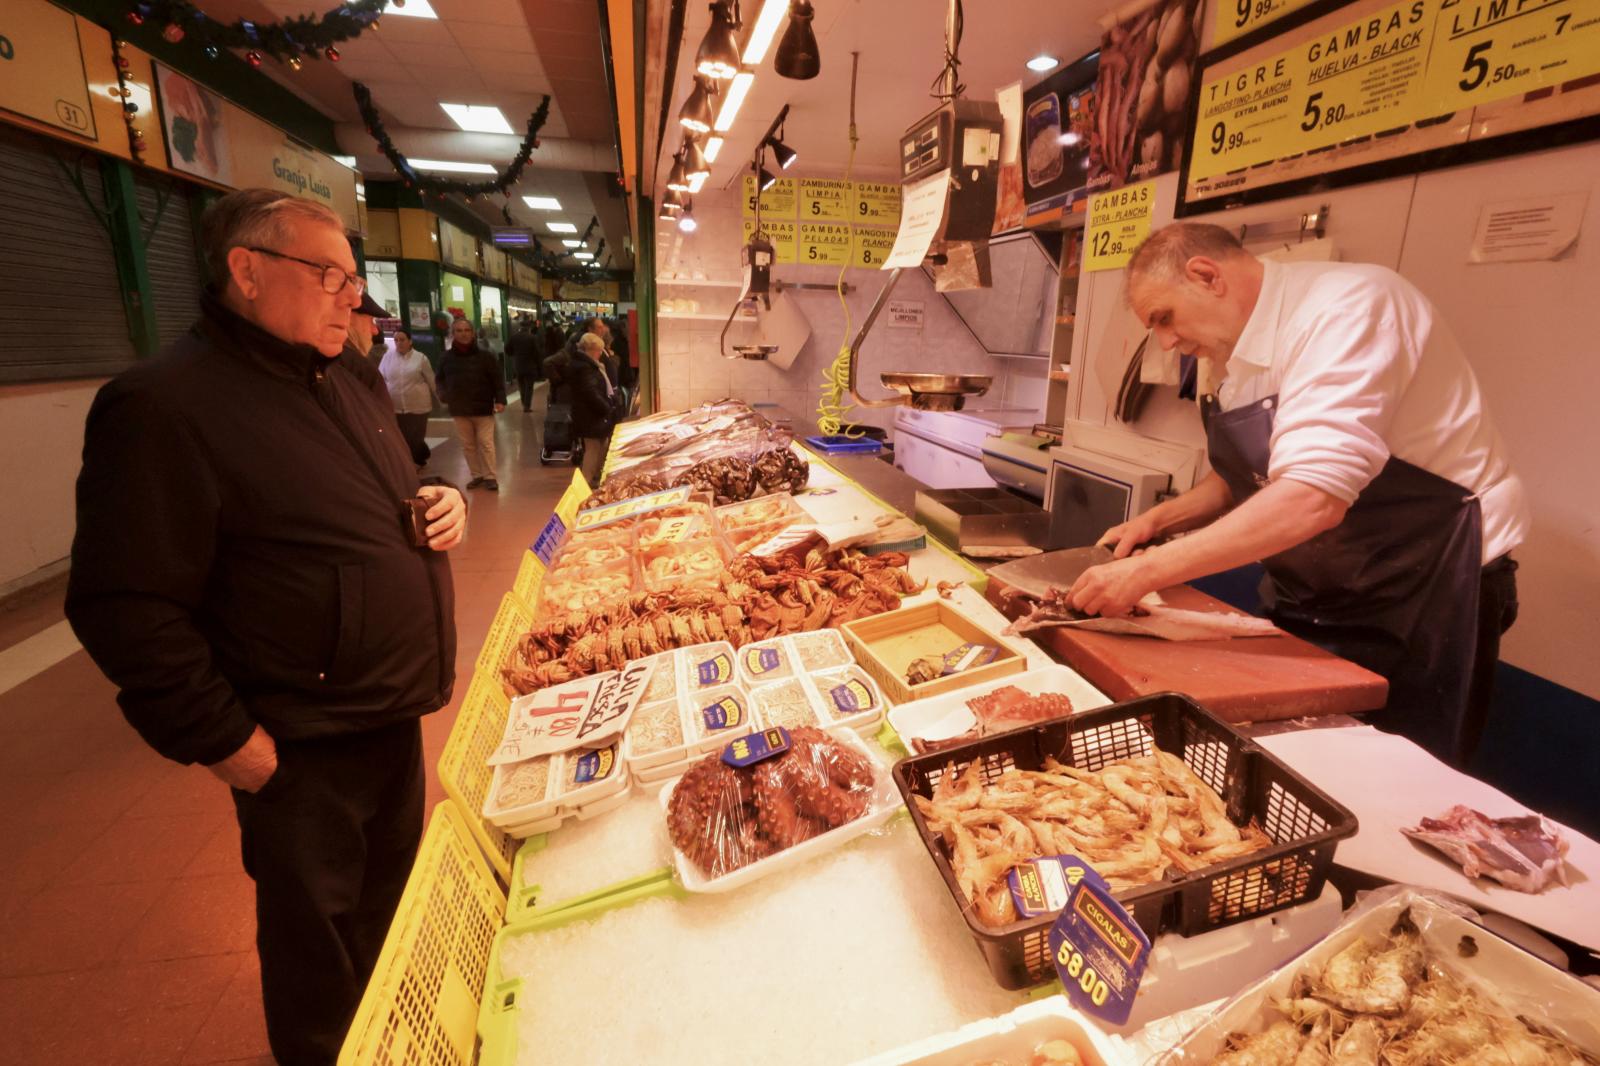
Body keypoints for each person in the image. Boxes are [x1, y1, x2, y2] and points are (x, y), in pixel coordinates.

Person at [64, 188, 467, 1066]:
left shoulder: (343, 376)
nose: (350, 298)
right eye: (327, 275)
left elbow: (393, 482)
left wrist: (438, 501)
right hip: (298, 744)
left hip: (387, 717)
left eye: (353, 280)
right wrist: (225, 740)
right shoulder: (164, 405)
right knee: (317, 955)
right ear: (246, 271)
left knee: (389, 924)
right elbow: (122, 603)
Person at [1066, 222, 1528, 766]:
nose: (1166, 342)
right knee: (1291, 754)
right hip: (1320, 588)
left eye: (1164, 318)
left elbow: (1314, 495)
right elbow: (1250, 473)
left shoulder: (1349, 310)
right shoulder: (1236, 353)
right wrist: (1160, 521)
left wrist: (1143, 573)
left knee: (1392, 779)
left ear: (1206, 275)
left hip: (1424, 592)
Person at [436, 316, 506, 491]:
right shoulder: (446, 358)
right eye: (459, 331)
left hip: (483, 408)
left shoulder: (486, 357)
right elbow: (440, 379)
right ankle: (477, 475)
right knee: (468, 445)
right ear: (453, 334)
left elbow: (497, 380)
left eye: (467, 330)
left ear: (473, 333)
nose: (463, 334)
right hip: (459, 409)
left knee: (486, 443)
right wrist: (443, 395)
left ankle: (490, 476)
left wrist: (500, 400)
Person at [570, 331, 624, 486]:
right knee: (593, 450)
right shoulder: (585, 368)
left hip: (593, 414)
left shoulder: (587, 365)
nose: (601, 354)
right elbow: (591, 392)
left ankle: (596, 479)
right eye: (598, 350)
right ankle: (585, 484)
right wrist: (606, 407)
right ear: (589, 350)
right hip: (591, 415)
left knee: (601, 447)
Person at [380, 327, 439, 468]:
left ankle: (416, 461)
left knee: (416, 437)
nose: (399, 343)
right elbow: (380, 378)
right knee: (402, 436)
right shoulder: (387, 357)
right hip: (396, 405)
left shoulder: (421, 358)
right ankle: (414, 459)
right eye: (396, 340)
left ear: (410, 341)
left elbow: (431, 380)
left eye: (402, 340)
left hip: (418, 405)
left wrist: (441, 398)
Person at [506, 315, 546, 413]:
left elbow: (507, 349)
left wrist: (514, 354)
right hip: (530, 366)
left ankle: (524, 403)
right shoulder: (532, 338)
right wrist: (539, 366)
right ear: (528, 328)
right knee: (529, 386)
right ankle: (526, 406)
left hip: (518, 365)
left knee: (522, 386)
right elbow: (537, 353)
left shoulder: (514, 337)